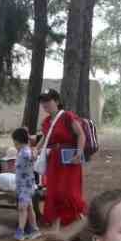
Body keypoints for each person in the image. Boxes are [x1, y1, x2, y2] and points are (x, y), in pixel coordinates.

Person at [35, 90, 87, 228]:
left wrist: (79, 153)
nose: (45, 104)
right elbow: (45, 138)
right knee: (54, 192)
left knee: (69, 192)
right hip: (54, 160)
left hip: (70, 159)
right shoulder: (46, 122)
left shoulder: (67, 116)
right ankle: (56, 227)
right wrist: (36, 149)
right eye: (43, 101)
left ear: (56, 101)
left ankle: (81, 222)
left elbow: (81, 134)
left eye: (48, 100)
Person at [12, 127, 39, 241]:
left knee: (22, 207)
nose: (13, 143)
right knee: (29, 207)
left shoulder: (26, 151)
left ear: (17, 141)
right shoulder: (21, 151)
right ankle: (34, 229)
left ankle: (20, 230)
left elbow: (32, 157)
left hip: (26, 186)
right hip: (22, 185)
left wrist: (35, 153)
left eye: (14, 141)